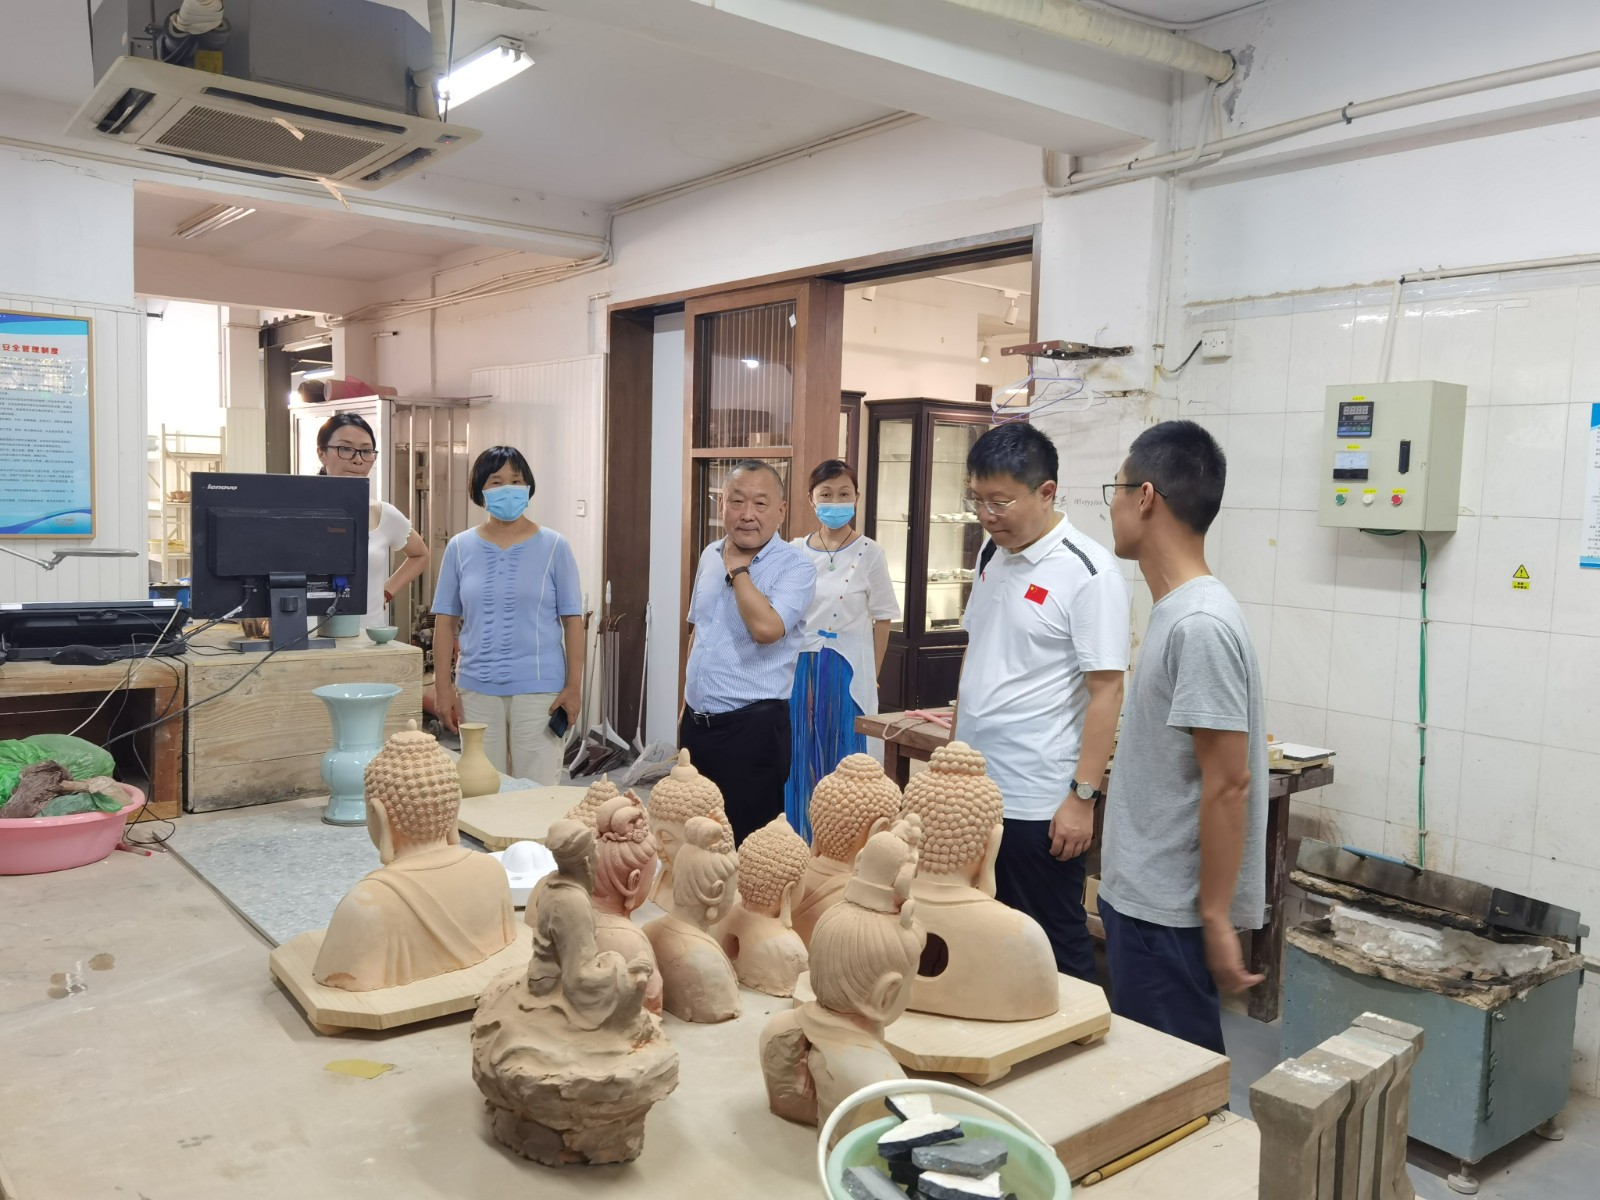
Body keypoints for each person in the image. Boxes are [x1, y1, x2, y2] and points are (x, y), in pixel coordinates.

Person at [1100, 420, 1268, 1056]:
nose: (1111, 505)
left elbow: (1229, 783)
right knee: (1153, 1075)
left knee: (1175, 1086)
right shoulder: (1177, 612)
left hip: (1165, 911)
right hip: (1146, 899)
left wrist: (1217, 916)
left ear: (1145, 497)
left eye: (1116, 488)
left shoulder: (1199, 624)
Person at [953, 423, 1129, 984]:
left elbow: (1108, 690)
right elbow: (977, 653)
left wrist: (1082, 797)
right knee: (980, 927)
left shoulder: (1089, 572)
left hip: (1036, 798)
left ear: (1046, 492)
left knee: (1051, 942)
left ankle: (1079, 1033)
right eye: (977, 499)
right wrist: (953, 760)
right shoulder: (992, 552)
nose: (987, 515)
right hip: (975, 789)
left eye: (1000, 502)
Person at [431, 446, 584, 787]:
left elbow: (573, 621)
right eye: (496, 482)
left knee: (537, 792)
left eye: (516, 481)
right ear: (480, 490)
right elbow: (445, 622)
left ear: (528, 486)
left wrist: (574, 686)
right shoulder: (459, 547)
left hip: (541, 691)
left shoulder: (555, 546)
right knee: (482, 789)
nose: (508, 489)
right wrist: (443, 687)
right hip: (476, 690)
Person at [681, 460, 817, 844]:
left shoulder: (796, 567)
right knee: (694, 841)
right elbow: (699, 631)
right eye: (737, 501)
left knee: (748, 846)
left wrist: (740, 571)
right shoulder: (710, 553)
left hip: (752, 730)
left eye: (760, 503)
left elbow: (766, 629)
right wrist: (685, 707)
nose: (747, 514)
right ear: (722, 504)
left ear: (781, 510)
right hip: (697, 724)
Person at [783, 459, 899, 839]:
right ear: (811, 500)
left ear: (856, 498)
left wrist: (872, 673)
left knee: (846, 755)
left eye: (844, 494)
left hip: (847, 671)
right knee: (799, 754)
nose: (835, 502)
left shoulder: (870, 553)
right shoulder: (794, 551)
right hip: (801, 668)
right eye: (826, 494)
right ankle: (800, 838)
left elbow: (883, 619)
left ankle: (845, 841)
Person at [314, 412, 430, 631]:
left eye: (366, 451)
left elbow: (420, 555)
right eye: (345, 448)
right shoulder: (298, 510)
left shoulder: (383, 513)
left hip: (368, 637)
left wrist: (386, 592)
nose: (357, 459)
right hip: (308, 636)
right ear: (322, 453)